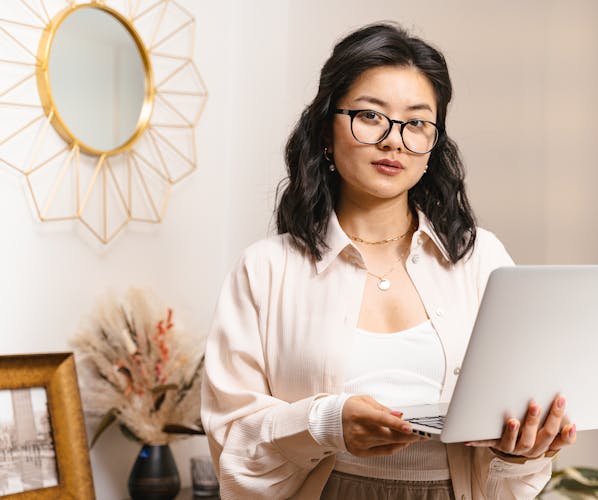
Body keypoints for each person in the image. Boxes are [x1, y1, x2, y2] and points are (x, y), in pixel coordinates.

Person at [201, 22, 576, 499]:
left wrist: (520, 451)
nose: (395, 140)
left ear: (433, 144)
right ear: (325, 129)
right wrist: (326, 424)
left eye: (418, 122)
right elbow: (233, 449)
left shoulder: (482, 260)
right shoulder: (264, 270)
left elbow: (508, 472)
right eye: (371, 116)